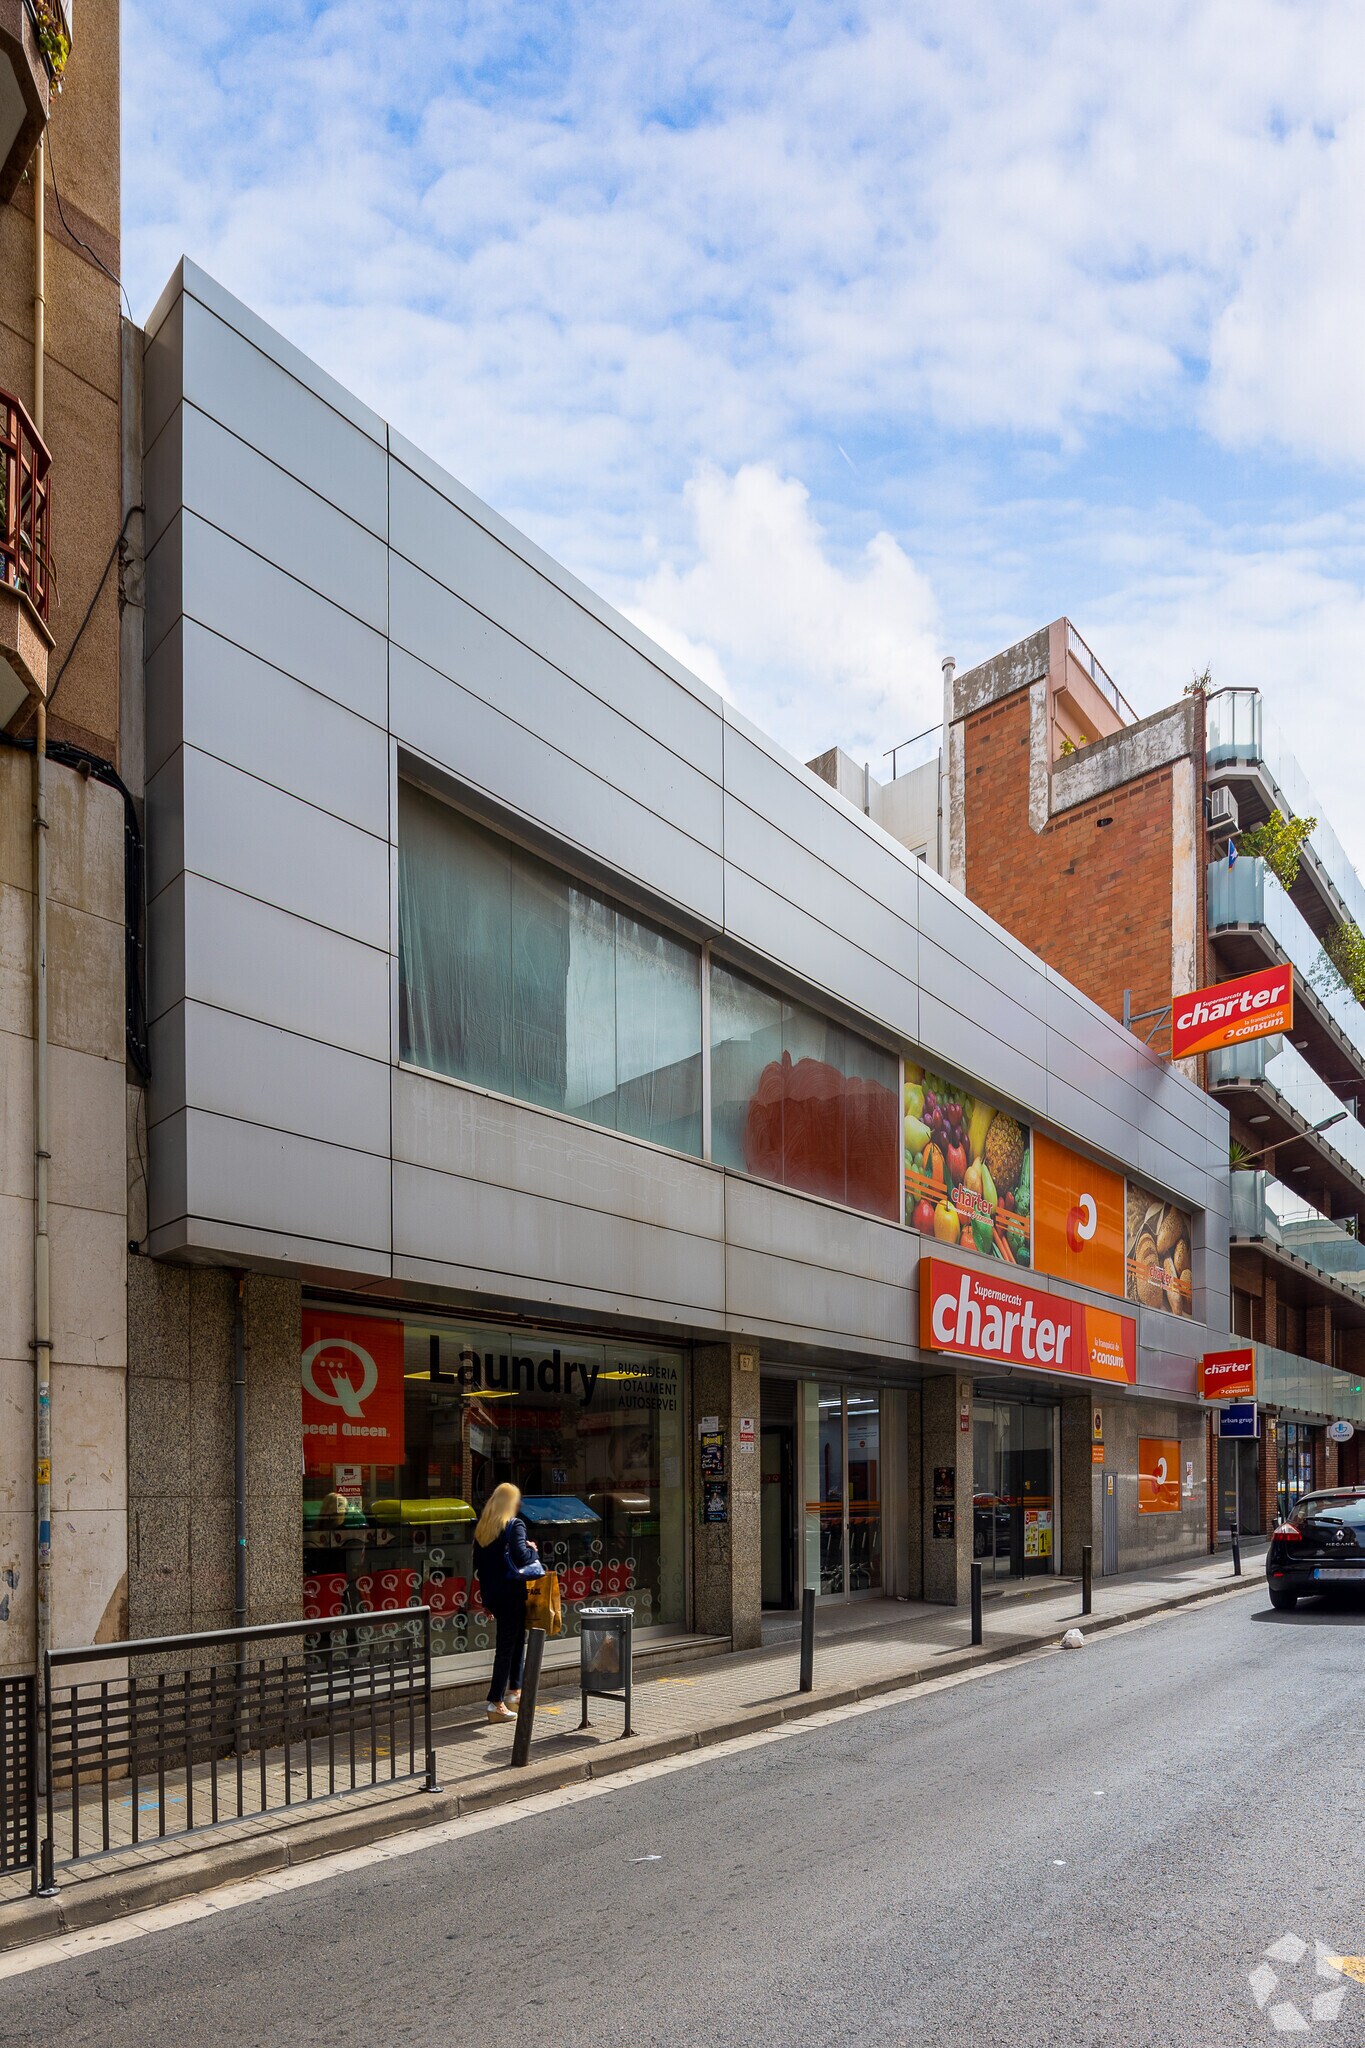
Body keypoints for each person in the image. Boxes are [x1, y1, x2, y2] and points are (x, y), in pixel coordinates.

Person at [472, 1483, 545, 1724]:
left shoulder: (483, 1529)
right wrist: (532, 1550)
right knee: (507, 1647)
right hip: (512, 1593)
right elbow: (522, 1557)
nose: (519, 1504)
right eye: (517, 1500)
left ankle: (515, 1691)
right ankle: (496, 1702)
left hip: (495, 1595)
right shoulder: (515, 1525)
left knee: (515, 1642)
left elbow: (480, 1569)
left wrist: (487, 1601)